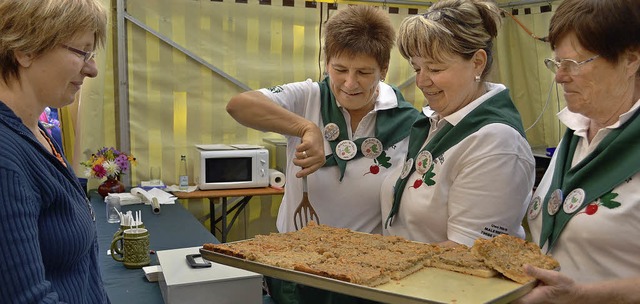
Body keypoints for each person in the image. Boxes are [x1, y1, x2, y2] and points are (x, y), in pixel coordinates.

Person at [227, 5, 419, 303]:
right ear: (327, 62)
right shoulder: (308, 97)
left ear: (384, 68)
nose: (349, 83)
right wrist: (306, 127)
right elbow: (239, 105)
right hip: (295, 267)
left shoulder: (408, 122)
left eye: (364, 72)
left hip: (363, 275)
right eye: (339, 69)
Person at [379, 0, 535, 248]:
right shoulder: (438, 122)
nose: (421, 81)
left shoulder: (496, 142)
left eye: (435, 68)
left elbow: (466, 251)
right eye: (416, 68)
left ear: (477, 63)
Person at [515, 0, 640, 303]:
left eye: (575, 63)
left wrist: (582, 295)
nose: (559, 76)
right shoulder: (576, 132)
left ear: (630, 60)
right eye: (557, 63)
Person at [0, 0, 110, 303]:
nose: (92, 69)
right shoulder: (5, 159)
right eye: (81, 52)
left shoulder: (38, 132)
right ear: (25, 49)